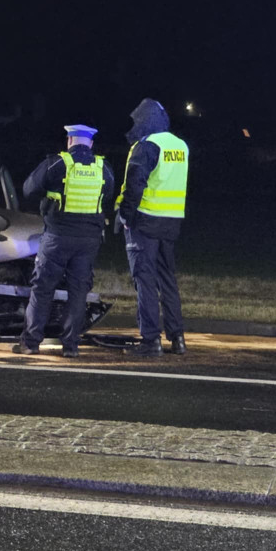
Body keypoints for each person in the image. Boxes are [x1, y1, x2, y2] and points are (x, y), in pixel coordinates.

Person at [13, 124, 115, 358]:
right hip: (88, 240)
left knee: (42, 289)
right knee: (78, 292)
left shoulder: (57, 164)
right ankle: (70, 346)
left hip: (57, 237)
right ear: (90, 144)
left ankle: (31, 343)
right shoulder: (103, 168)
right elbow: (107, 195)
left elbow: (29, 189)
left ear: (70, 141)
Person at [115, 98, 189, 357]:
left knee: (144, 280)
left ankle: (150, 341)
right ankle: (177, 338)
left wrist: (124, 215)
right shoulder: (180, 146)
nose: (135, 126)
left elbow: (135, 185)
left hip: (145, 222)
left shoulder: (146, 146)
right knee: (167, 280)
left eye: (138, 121)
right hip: (171, 222)